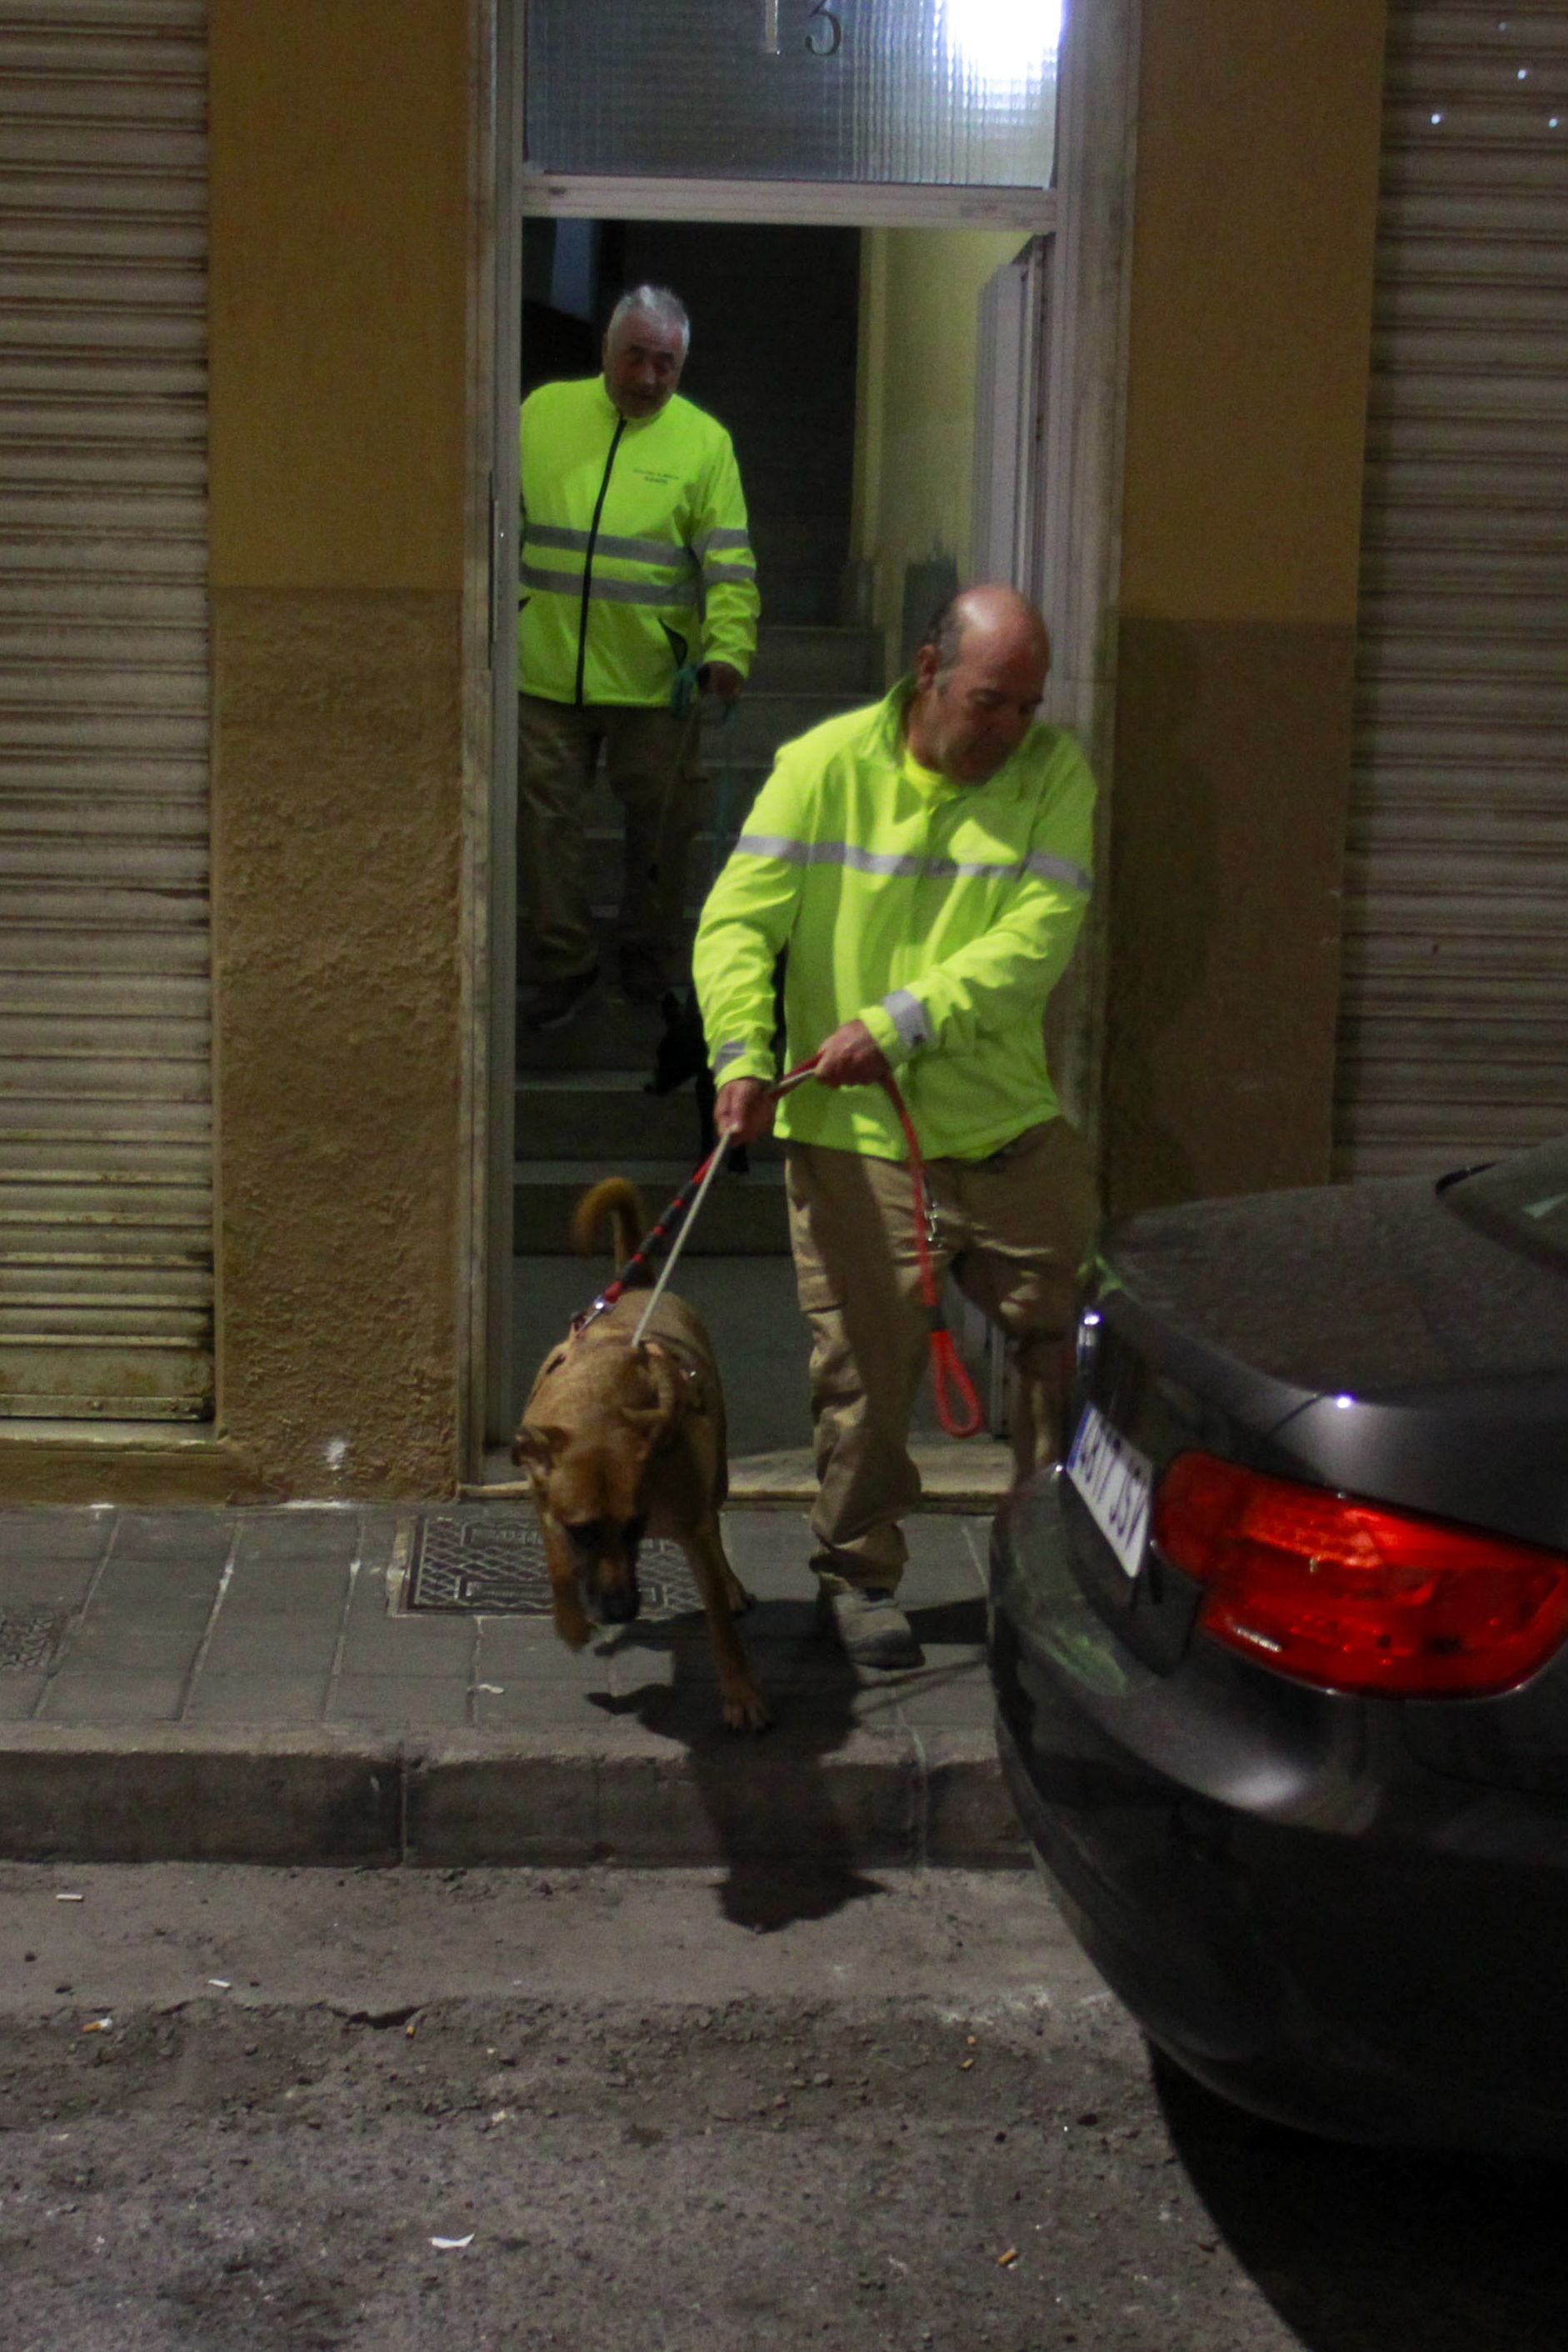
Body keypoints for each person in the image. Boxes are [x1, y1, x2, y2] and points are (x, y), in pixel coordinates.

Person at [692, 586, 1098, 1668]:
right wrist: (739, 1052)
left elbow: (1034, 941)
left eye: (1025, 704)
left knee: (1073, 1344)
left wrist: (897, 1021)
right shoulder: (823, 766)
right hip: (855, 1137)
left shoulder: (1052, 775)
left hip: (1008, 1127)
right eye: (986, 701)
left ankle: (1054, 1562)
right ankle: (856, 1572)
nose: (1006, 728)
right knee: (866, 1375)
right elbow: (737, 920)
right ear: (928, 670)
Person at [517, 284, 760, 1030]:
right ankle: (566, 965)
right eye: (638, 357)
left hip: (659, 687)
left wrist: (729, 651)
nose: (650, 377)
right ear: (607, 352)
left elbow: (728, 565)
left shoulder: (704, 443)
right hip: (542, 673)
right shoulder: (541, 415)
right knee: (541, 823)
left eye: (667, 363)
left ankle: (647, 958)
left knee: (662, 829)